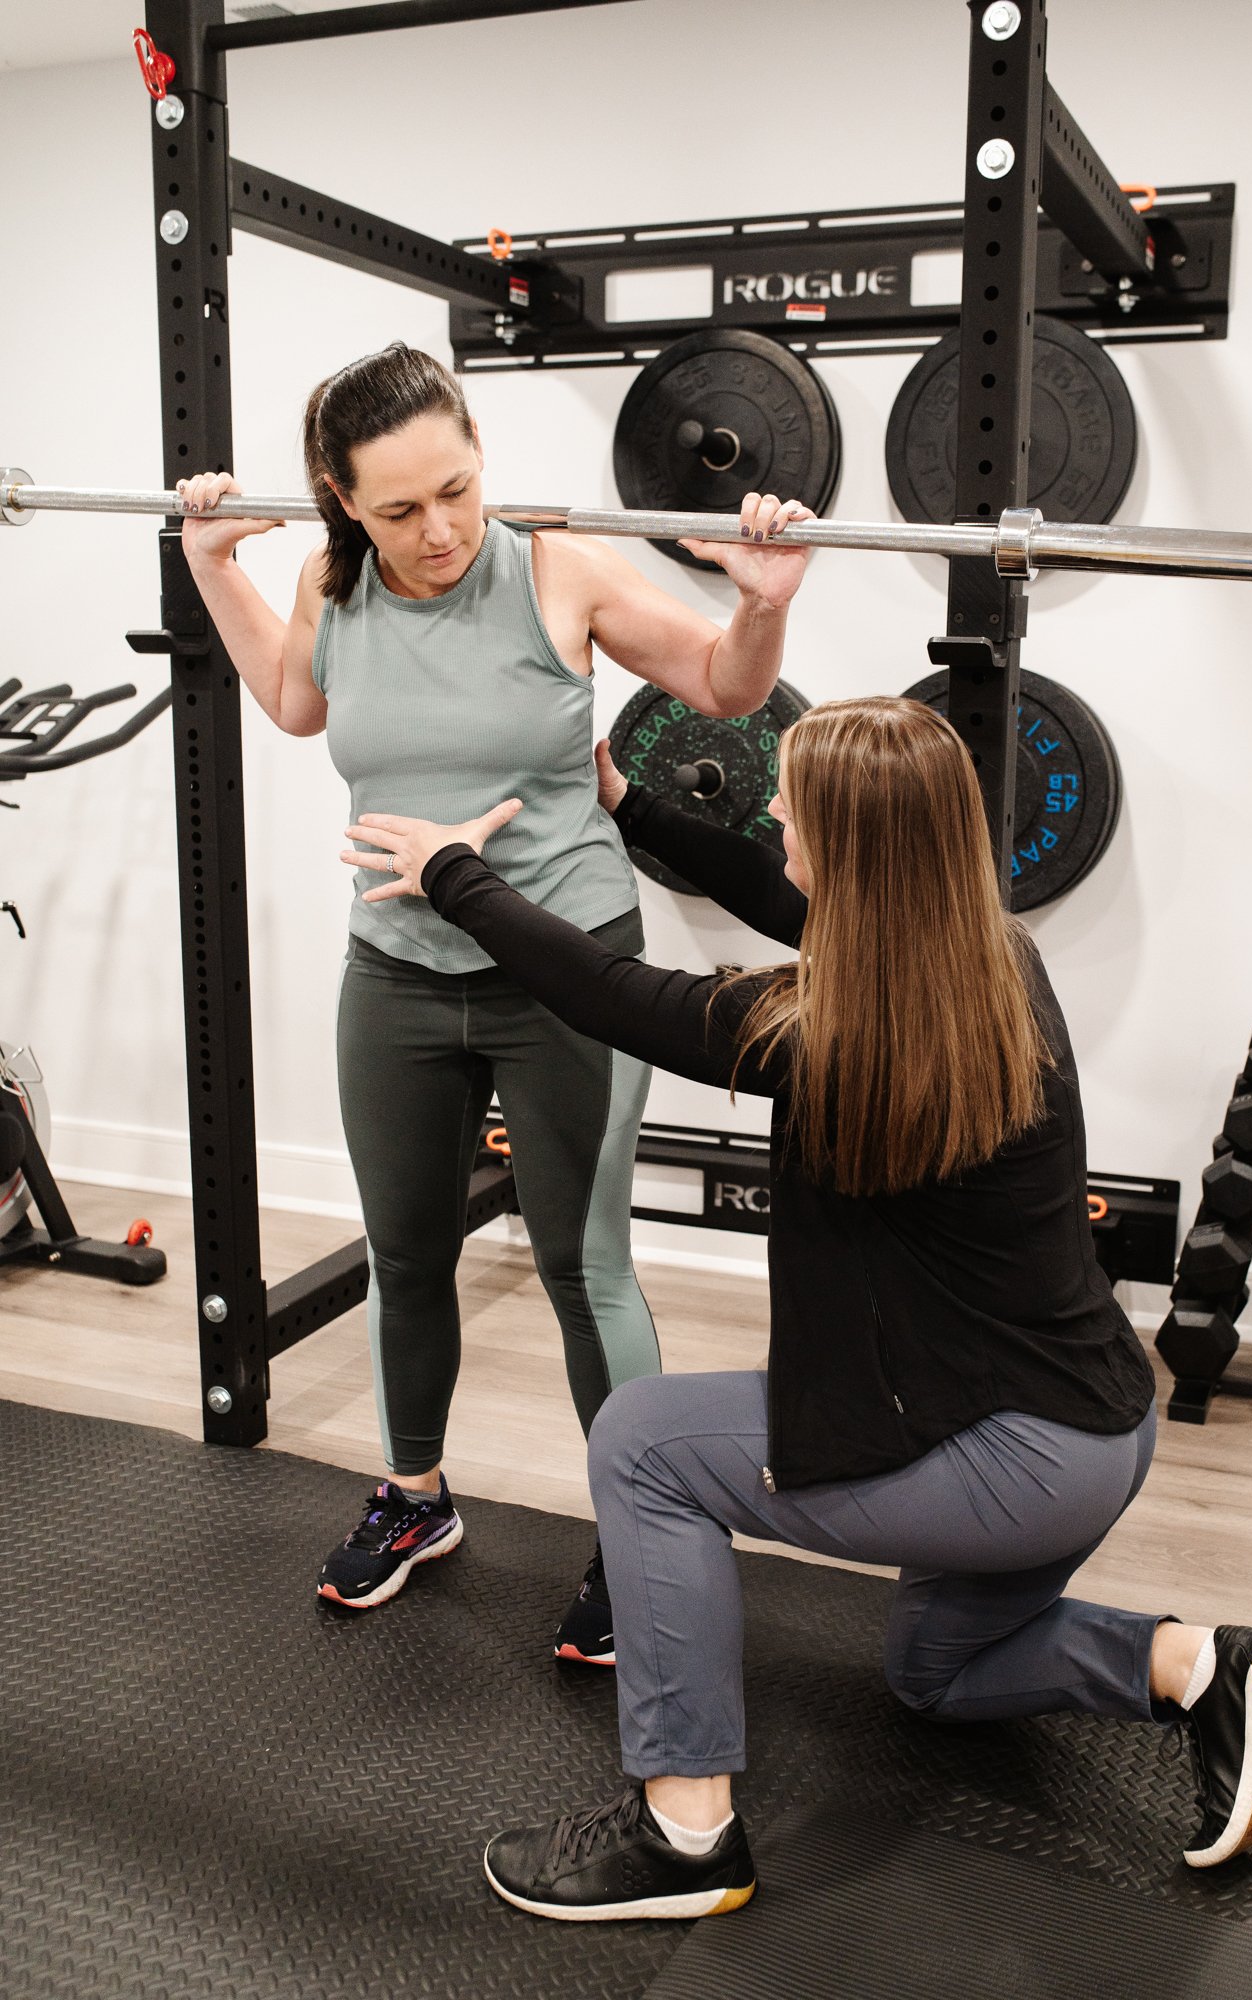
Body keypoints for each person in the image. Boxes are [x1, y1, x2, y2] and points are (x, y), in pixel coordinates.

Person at [340, 693, 1252, 1921]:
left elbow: (604, 989)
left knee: (642, 1442)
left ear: (852, 848)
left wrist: (450, 870)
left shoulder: (821, 1032)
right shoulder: (991, 958)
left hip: (1006, 1458)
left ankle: (683, 1833)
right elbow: (774, 890)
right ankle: (1193, 1665)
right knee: (932, 1670)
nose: (774, 810)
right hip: (1104, 1425)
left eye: (793, 803)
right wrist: (628, 803)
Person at [178, 340, 814, 1647]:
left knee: (587, 1267)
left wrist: (758, 602)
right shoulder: (330, 580)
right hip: (397, 971)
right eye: (400, 509)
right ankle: (414, 1495)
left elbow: (724, 687)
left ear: (478, 459)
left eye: (457, 489)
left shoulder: (556, 571)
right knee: (406, 1257)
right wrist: (212, 567)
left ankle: (639, 1538)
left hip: (564, 965)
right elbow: (297, 703)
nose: (441, 530)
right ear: (340, 502)